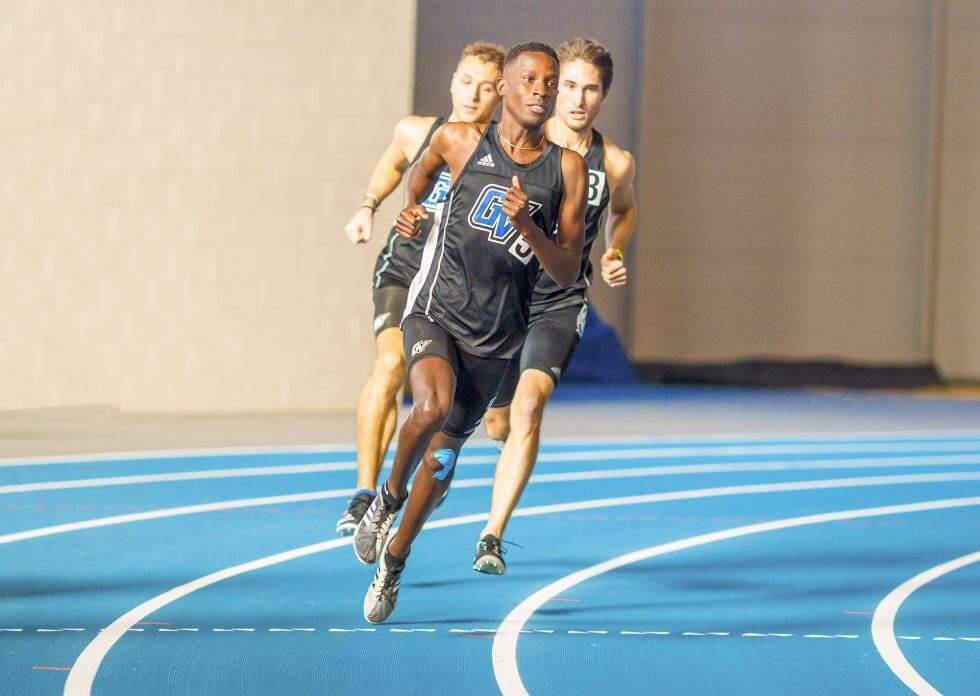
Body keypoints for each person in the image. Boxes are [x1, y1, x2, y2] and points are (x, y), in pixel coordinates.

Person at [354, 42, 587, 624]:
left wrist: (529, 228)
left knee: (444, 459)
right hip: (436, 307)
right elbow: (420, 175)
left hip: (498, 334)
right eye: (529, 79)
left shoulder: (566, 169)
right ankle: (385, 498)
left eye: (550, 82)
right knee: (429, 404)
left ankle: (396, 559)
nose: (541, 89)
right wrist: (410, 213)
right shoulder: (459, 140)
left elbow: (566, 267)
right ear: (504, 87)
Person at [475, 37, 638, 575]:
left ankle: (491, 536)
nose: (577, 99)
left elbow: (626, 210)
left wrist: (613, 250)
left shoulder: (613, 161)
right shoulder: (523, 141)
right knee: (497, 423)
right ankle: (504, 449)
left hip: (561, 299)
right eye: (568, 85)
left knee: (529, 407)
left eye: (591, 89)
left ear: (603, 96)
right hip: (505, 297)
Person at [335, 42, 505, 536]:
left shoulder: (500, 153)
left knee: (442, 404)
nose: (474, 93)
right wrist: (368, 206)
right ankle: (365, 494)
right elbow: (392, 165)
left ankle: (422, 484)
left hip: (455, 288)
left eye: (488, 85)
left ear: (501, 95)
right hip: (405, 270)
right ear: (452, 80)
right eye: (466, 80)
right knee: (388, 366)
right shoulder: (416, 131)